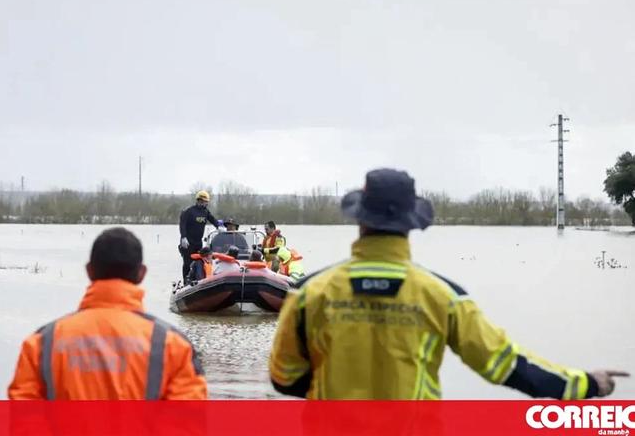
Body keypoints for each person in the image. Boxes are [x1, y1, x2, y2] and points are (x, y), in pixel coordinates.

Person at [269, 168, 629, 399]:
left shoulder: (309, 293)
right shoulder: (443, 296)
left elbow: (283, 377)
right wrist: (585, 383)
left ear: (360, 220)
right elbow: (504, 365)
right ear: (411, 222)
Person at [8, 227, 207, 400]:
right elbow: (189, 423)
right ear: (141, 273)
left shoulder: (42, 344)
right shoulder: (173, 346)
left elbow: (23, 421)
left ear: (89, 271)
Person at [179, 191, 218, 280]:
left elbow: (212, 219)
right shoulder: (188, 211)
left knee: (199, 262)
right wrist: (183, 237)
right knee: (187, 263)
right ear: (199, 200)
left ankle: (197, 280)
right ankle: (186, 281)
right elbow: (182, 224)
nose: (206, 203)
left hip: (198, 242)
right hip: (188, 242)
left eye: (207, 202)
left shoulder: (205, 212)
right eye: (205, 202)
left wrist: (219, 226)